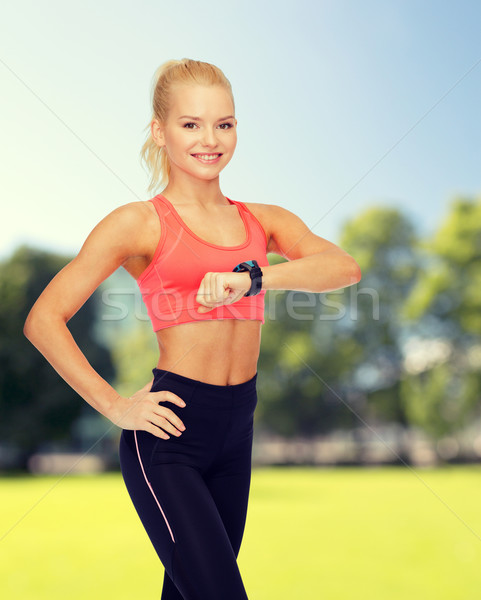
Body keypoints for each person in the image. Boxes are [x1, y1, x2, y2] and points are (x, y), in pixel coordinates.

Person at [24, 58, 361, 600]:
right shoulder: (138, 222)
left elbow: (343, 268)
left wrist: (252, 278)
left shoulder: (262, 220)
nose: (211, 139)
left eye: (224, 124)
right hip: (169, 435)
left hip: (237, 430)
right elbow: (43, 319)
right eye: (191, 124)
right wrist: (116, 407)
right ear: (160, 132)